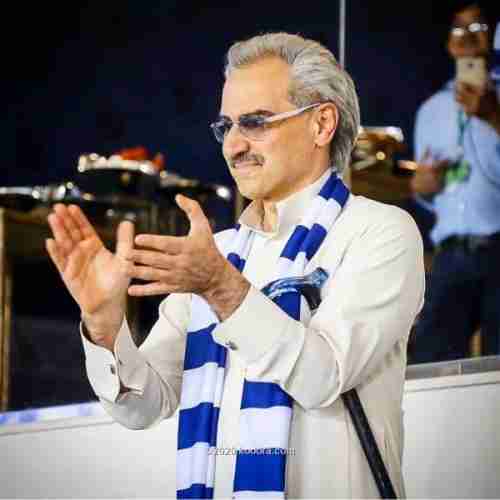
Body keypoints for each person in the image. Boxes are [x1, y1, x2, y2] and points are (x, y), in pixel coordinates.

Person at [46, 33, 424, 498]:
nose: (233, 145)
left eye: (256, 122)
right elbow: (143, 407)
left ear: (322, 124)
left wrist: (221, 287)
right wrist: (105, 326)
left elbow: (321, 377)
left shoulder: (379, 232)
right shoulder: (217, 254)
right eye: (226, 127)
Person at [410, 3, 500, 364]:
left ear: (492, 37)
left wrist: (493, 117)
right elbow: (425, 189)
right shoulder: (431, 110)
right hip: (450, 254)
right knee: (432, 363)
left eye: (478, 28)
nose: (468, 38)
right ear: (449, 43)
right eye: (459, 30)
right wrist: (423, 187)